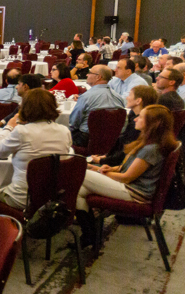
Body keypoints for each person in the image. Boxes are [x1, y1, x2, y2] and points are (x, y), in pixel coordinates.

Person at [74, 105, 179, 246]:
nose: (135, 119)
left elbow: (127, 177)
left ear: (154, 124)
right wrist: (110, 168)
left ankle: (84, 231)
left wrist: (101, 172)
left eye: (140, 117)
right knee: (79, 191)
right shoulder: (152, 143)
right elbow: (129, 167)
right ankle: (89, 235)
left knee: (80, 174)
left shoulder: (151, 149)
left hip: (136, 193)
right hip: (135, 187)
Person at [0, 89, 73, 209]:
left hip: (23, 197)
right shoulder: (64, 131)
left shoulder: (22, 131)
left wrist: (8, 127)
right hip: (53, 196)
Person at [90, 84, 159, 168]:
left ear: (138, 101)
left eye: (130, 95)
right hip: (117, 161)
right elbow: (122, 143)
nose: (127, 98)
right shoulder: (133, 115)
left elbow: (126, 152)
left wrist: (102, 161)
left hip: (121, 165)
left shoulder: (139, 125)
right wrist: (106, 156)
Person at [68, 65, 125, 147]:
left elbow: (73, 123)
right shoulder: (118, 97)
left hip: (86, 140)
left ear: (98, 77)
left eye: (90, 73)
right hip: (113, 141)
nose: (87, 75)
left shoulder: (86, 97)